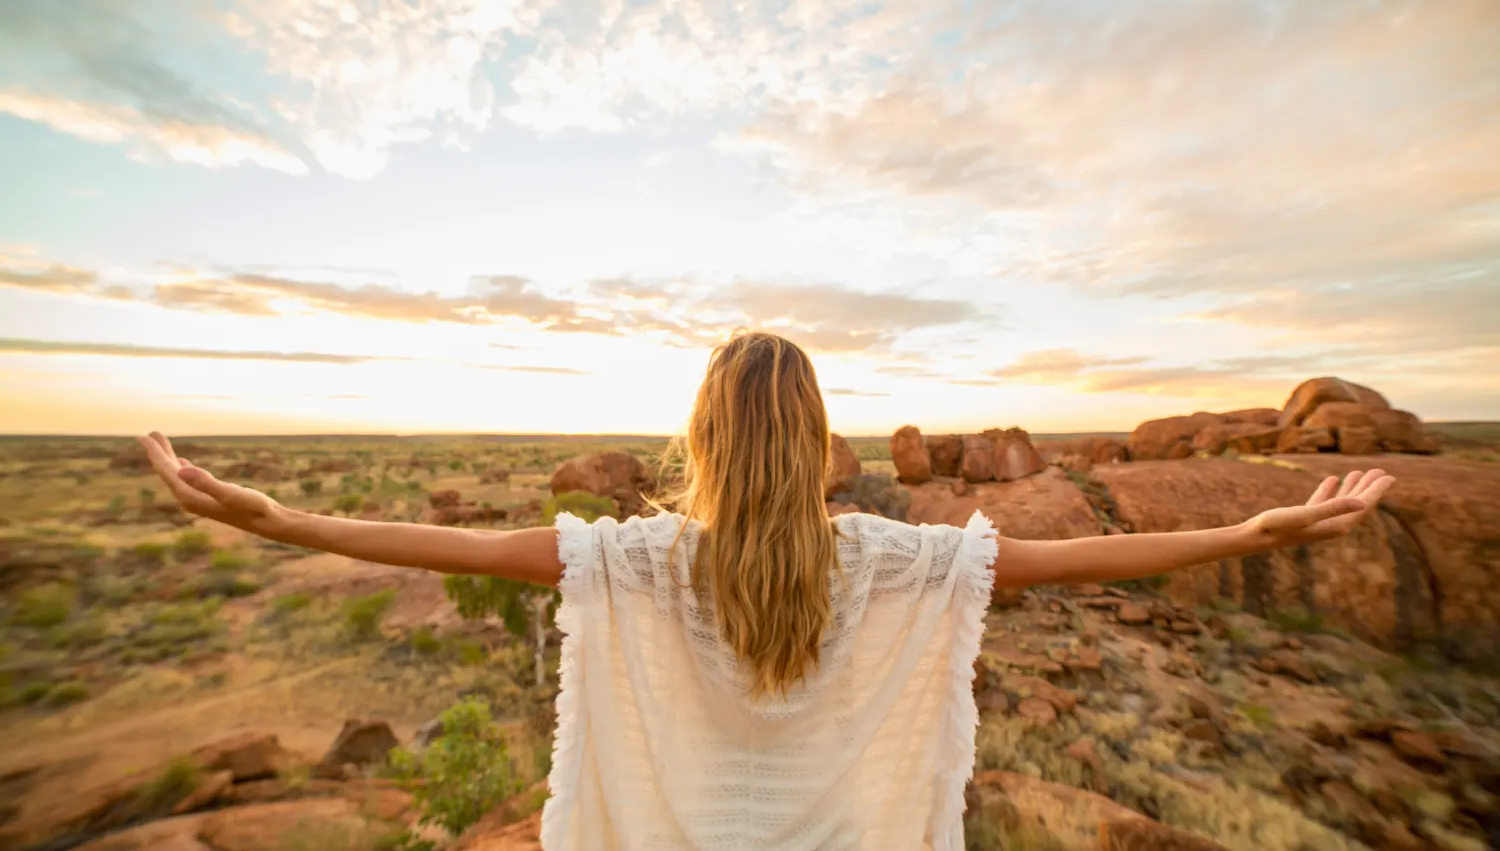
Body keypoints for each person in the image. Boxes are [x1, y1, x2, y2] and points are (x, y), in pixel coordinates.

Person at [137, 331, 1394, 851]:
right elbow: (1082, 560)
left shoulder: (632, 558)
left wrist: (280, 516)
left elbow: (432, 544)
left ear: (705, 438)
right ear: (817, 440)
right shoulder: (884, 559)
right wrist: (1255, 525)